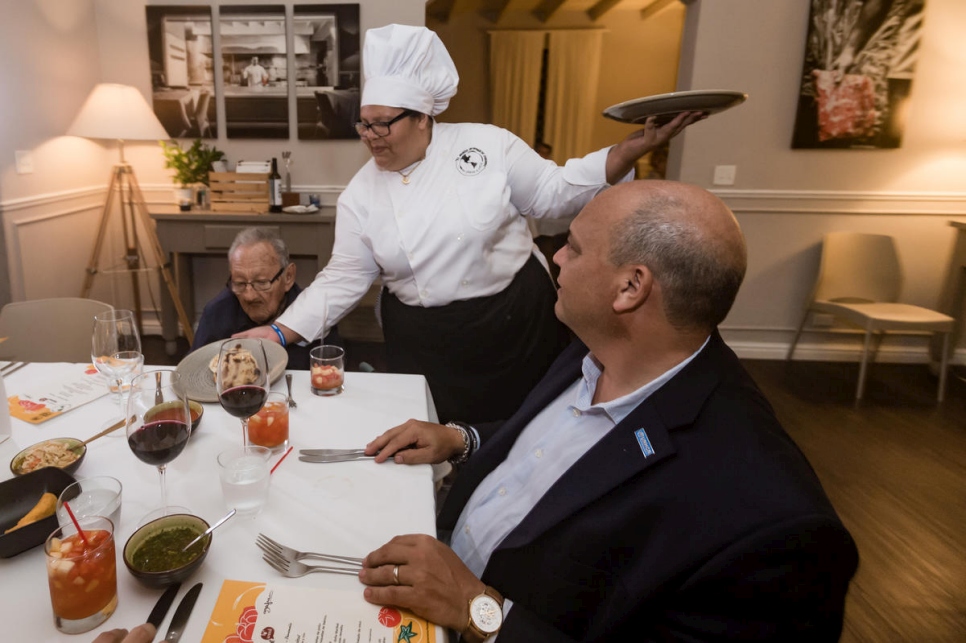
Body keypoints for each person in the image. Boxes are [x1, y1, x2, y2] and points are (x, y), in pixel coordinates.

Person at [357, 180, 859, 641]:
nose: (555, 257)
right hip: (434, 565)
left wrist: (478, 610)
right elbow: (554, 448)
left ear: (630, 288)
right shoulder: (600, 346)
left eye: (573, 247)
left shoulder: (773, 528)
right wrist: (462, 439)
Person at [235, 24, 702, 424]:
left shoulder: (488, 145)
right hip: (424, 339)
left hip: (513, 322)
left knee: (516, 426)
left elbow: (554, 193)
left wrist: (631, 149)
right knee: (433, 429)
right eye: (363, 125)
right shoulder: (361, 193)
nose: (369, 138)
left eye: (382, 124)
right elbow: (344, 277)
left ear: (422, 117)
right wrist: (280, 331)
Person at [192, 227, 328, 369]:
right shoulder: (216, 314)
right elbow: (193, 375)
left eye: (262, 282)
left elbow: (331, 376)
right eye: (240, 283)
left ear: (288, 277)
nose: (249, 296)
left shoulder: (315, 314)